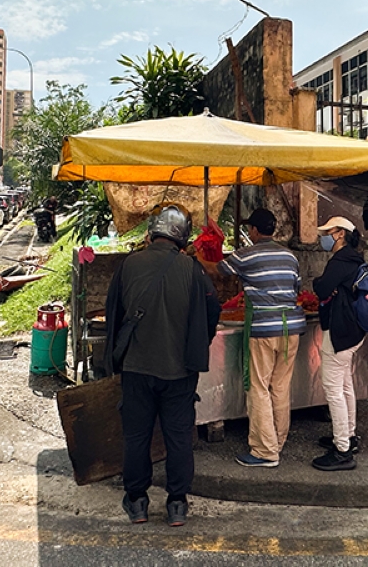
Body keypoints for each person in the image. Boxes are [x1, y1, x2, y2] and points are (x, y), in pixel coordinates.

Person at [103, 203, 221, 527]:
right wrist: (198, 341)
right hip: (180, 372)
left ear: (153, 232)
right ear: (182, 236)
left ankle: (138, 502)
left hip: (136, 369)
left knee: (137, 436)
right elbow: (213, 312)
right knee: (178, 438)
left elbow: (112, 313)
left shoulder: (129, 265)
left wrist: (113, 359)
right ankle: (177, 504)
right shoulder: (193, 271)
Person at [205, 208, 305, 468]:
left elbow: (218, 271)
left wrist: (196, 259)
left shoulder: (248, 254)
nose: (249, 232)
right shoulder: (290, 256)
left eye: (250, 228)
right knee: (280, 387)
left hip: (264, 329)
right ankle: (277, 441)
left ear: (255, 231)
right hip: (291, 328)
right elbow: (296, 289)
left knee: (259, 388)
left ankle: (265, 451)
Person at [311, 216, 367, 472]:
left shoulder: (341, 260)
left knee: (333, 389)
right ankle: (348, 436)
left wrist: (319, 285)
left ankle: (342, 449)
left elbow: (322, 288)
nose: (323, 236)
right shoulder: (355, 259)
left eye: (328, 232)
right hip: (354, 330)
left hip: (340, 331)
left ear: (341, 234)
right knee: (345, 386)